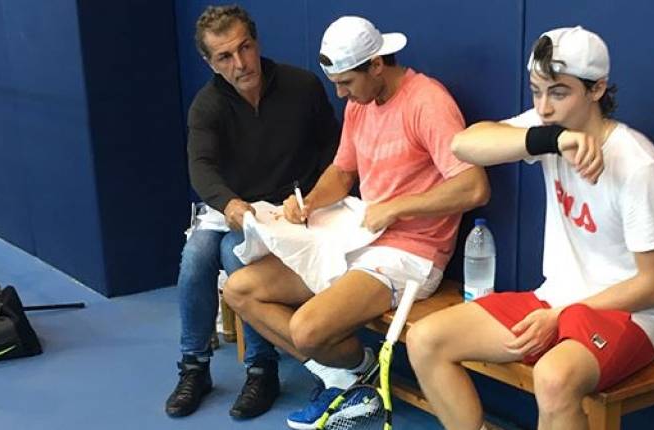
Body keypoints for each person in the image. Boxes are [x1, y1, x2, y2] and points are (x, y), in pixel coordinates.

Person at [223, 15, 490, 429]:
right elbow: (343, 172)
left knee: (307, 331)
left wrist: (400, 207)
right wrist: (308, 203)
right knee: (240, 288)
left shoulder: (428, 102)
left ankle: (354, 379)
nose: (340, 93)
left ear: (377, 65)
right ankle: (352, 376)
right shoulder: (359, 105)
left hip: (413, 253)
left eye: (347, 82)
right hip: (362, 235)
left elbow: (475, 187)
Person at [407, 26, 654, 430]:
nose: (544, 106)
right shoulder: (551, 130)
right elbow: (463, 144)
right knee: (425, 339)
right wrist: (550, 141)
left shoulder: (641, 167)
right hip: (553, 299)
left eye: (558, 92)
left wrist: (563, 314)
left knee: (552, 379)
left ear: (597, 89)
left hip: (630, 315)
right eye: (536, 90)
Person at [165, 4, 340, 420]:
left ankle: (262, 370)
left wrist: (313, 197)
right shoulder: (207, 107)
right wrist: (229, 204)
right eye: (225, 56)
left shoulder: (302, 86)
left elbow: (334, 149)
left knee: (234, 256)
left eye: (245, 47)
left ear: (256, 42)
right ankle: (194, 367)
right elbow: (201, 168)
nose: (241, 63)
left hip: (294, 208)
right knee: (196, 257)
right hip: (235, 209)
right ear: (209, 62)